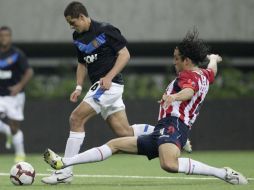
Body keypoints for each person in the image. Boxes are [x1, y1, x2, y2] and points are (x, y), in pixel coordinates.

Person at [44, 30, 248, 185]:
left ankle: (222, 173)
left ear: (186, 61)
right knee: (115, 144)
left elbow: (189, 91)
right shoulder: (204, 74)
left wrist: (174, 96)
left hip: (174, 126)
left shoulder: (189, 77)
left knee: (169, 164)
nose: (174, 61)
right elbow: (212, 70)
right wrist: (213, 59)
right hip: (164, 129)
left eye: (176, 58)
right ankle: (64, 163)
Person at [41, 1, 159, 184]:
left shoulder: (106, 29)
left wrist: (109, 77)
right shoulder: (77, 37)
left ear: (82, 16)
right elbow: (82, 64)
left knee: (76, 118)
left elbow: (125, 54)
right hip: (101, 86)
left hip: (108, 86)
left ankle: (64, 172)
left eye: (73, 22)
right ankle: (165, 132)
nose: (71, 26)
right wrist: (78, 86)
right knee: (124, 131)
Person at [0, 26, 33, 163]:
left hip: (15, 96)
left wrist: (19, 86)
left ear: (10, 37)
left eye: (7, 35)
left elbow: (29, 72)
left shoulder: (17, 54)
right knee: (10, 129)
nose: (4, 38)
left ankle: (20, 154)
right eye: (1, 35)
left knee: (15, 127)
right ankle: (7, 131)